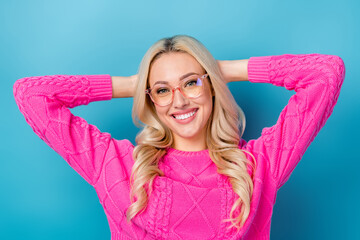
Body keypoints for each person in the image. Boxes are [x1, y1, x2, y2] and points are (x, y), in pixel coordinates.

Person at [13, 35, 345, 239]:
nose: (179, 100)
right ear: (150, 100)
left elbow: (326, 73)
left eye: (191, 83)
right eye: (162, 90)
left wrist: (222, 70)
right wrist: (132, 84)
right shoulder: (116, 163)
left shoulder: (259, 165)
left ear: (212, 88)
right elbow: (31, 94)